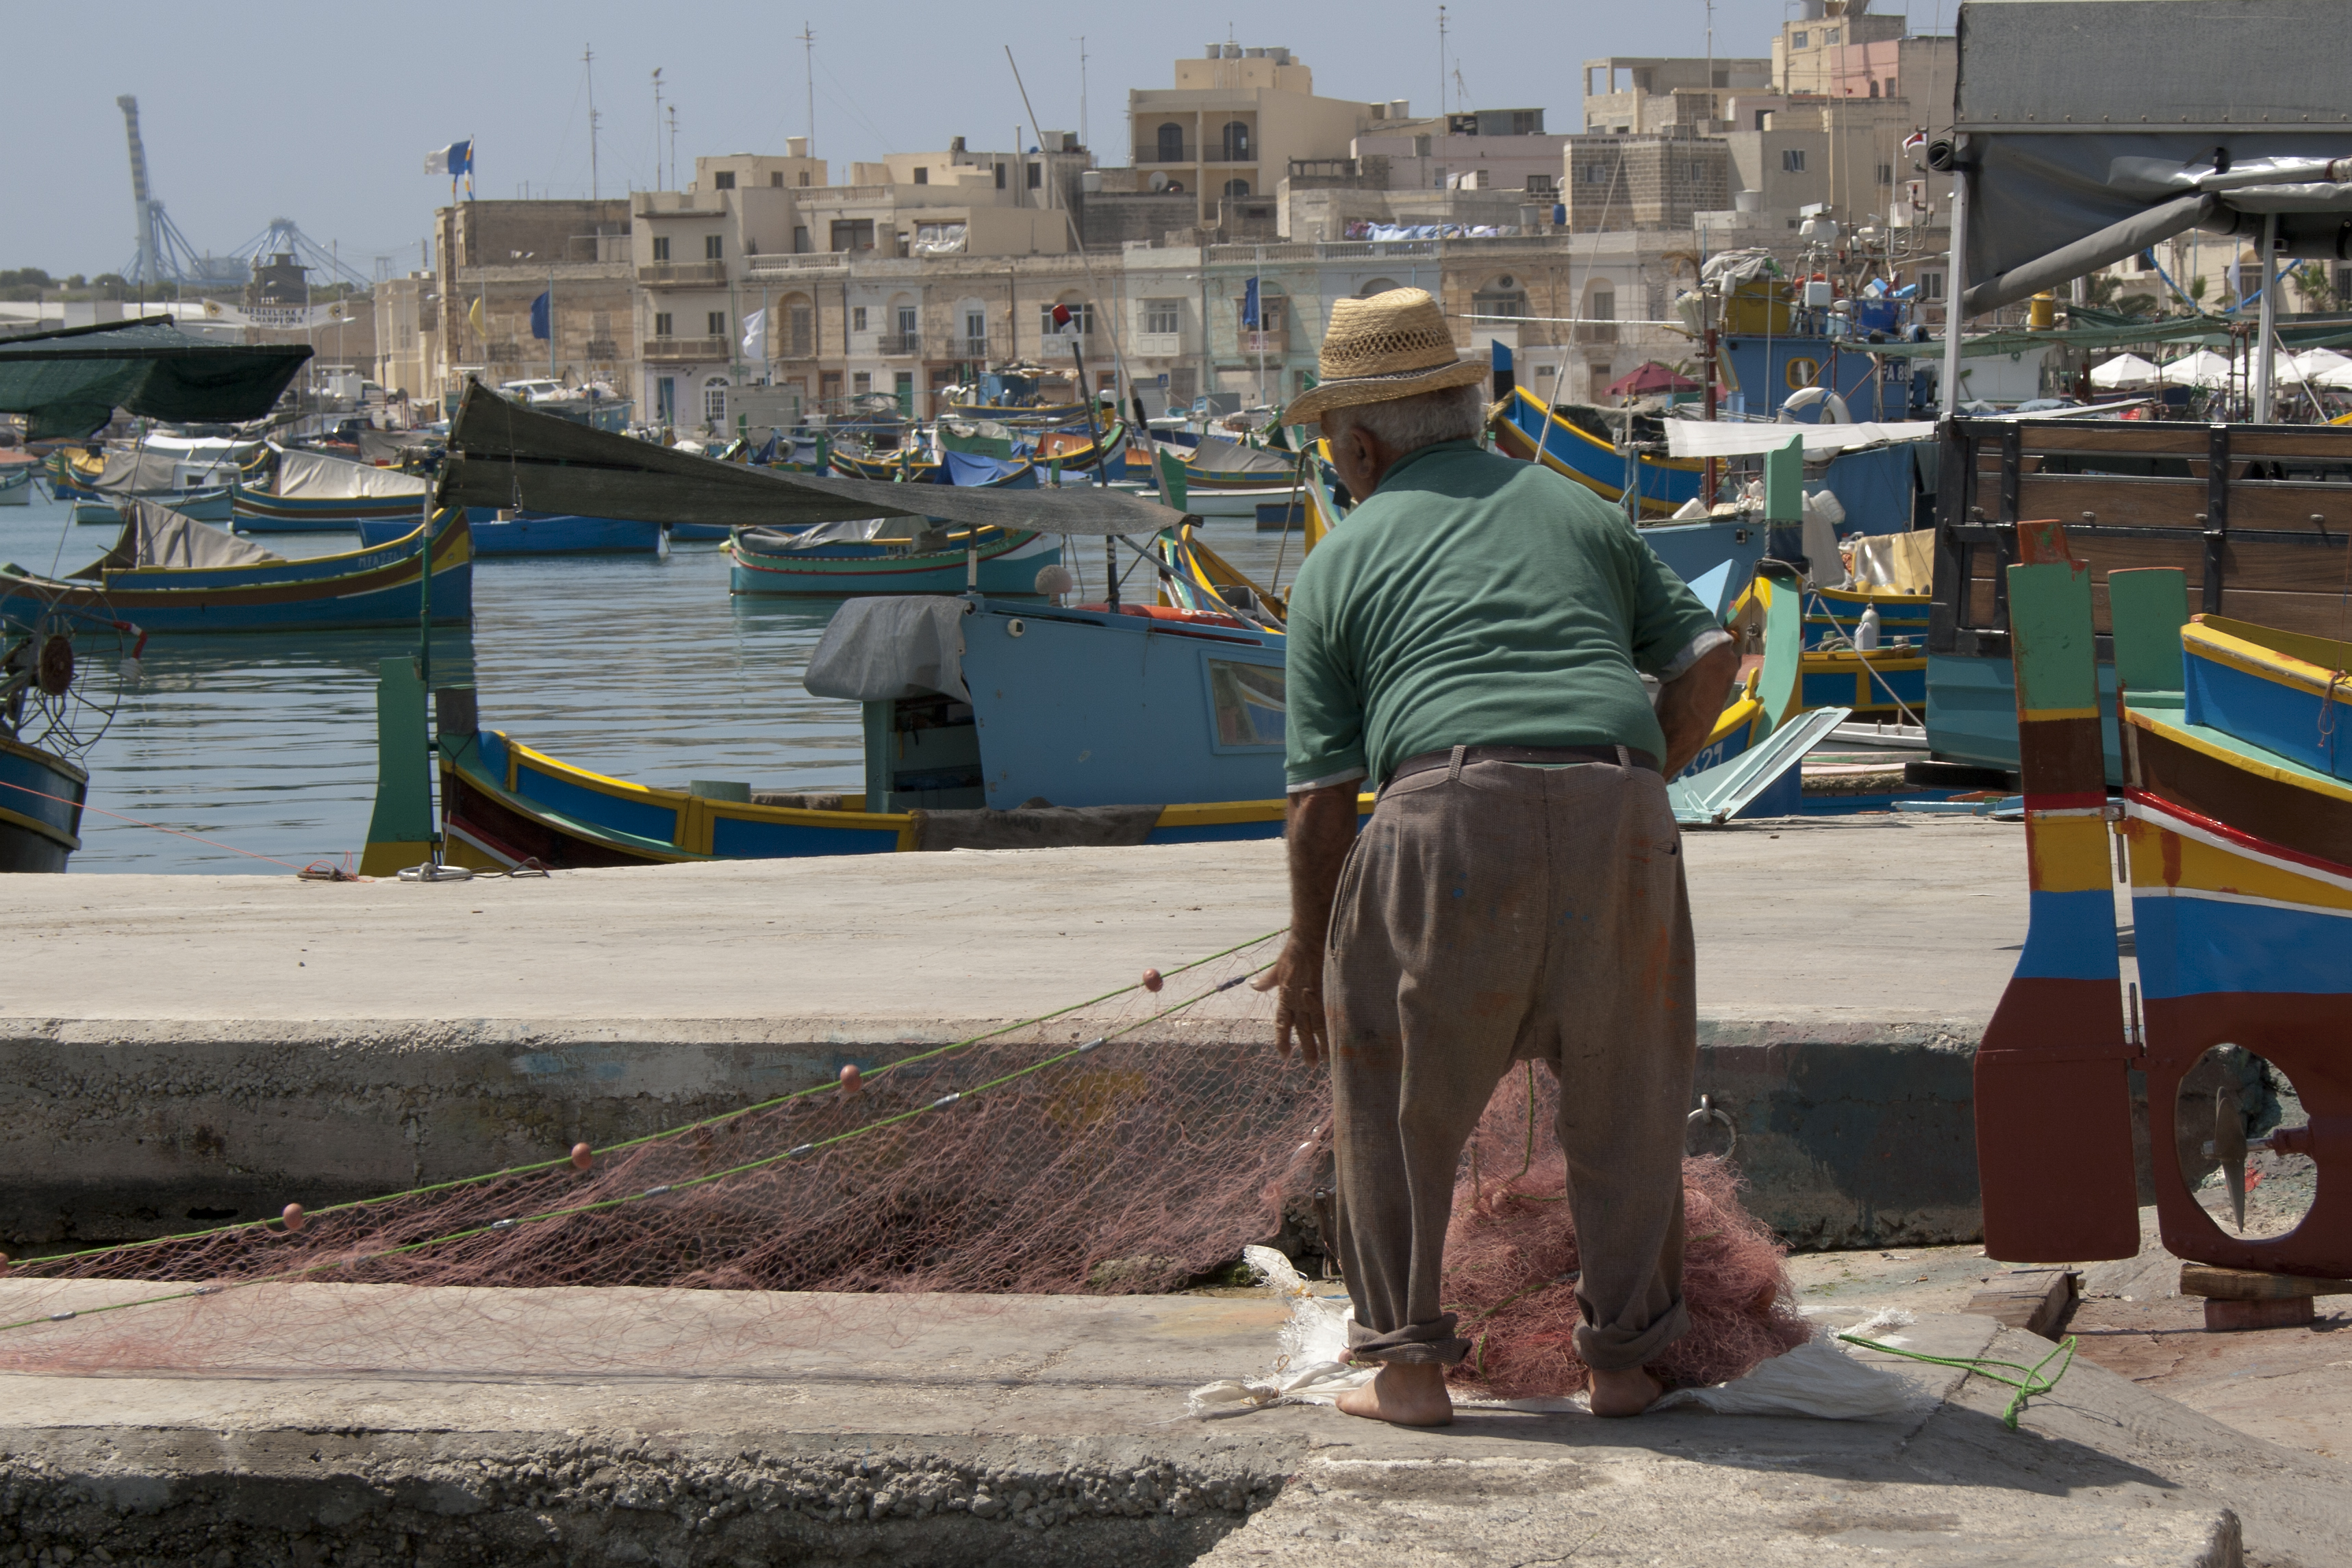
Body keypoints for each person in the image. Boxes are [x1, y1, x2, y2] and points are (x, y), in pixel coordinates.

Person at [1256, 288, 1741, 1427]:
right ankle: (1623, 1365)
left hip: (1441, 812)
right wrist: (1633, 787)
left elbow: (1323, 805)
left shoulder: (1337, 562)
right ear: (1469, 415)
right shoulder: (1576, 511)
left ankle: (1411, 1374)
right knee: (1626, 1103)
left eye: (1336, 451)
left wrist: (1308, 949)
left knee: (1392, 1095)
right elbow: (1713, 659)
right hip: (1619, 805)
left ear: (1360, 446)